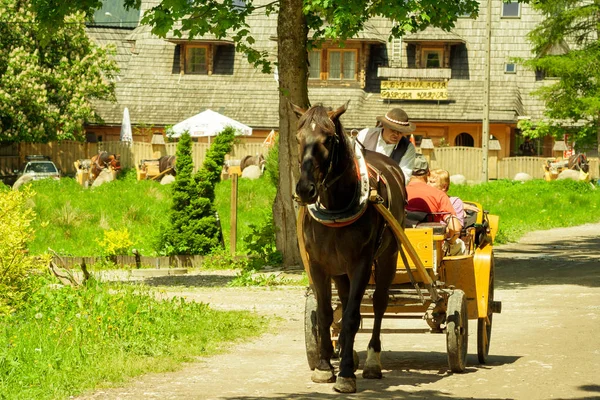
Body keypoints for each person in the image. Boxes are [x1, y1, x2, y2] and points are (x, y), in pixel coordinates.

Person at [405, 156, 464, 254]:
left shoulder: (398, 192)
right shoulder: (439, 194)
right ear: (428, 173)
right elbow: (456, 228)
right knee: (461, 246)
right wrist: (450, 242)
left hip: (399, 245)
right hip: (430, 249)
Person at [356, 108, 417, 182]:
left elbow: (404, 177)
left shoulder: (408, 148)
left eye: (400, 132)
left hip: (388, 189)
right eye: (393, 130)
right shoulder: (365, 135)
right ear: (384, 125)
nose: (396, 135)